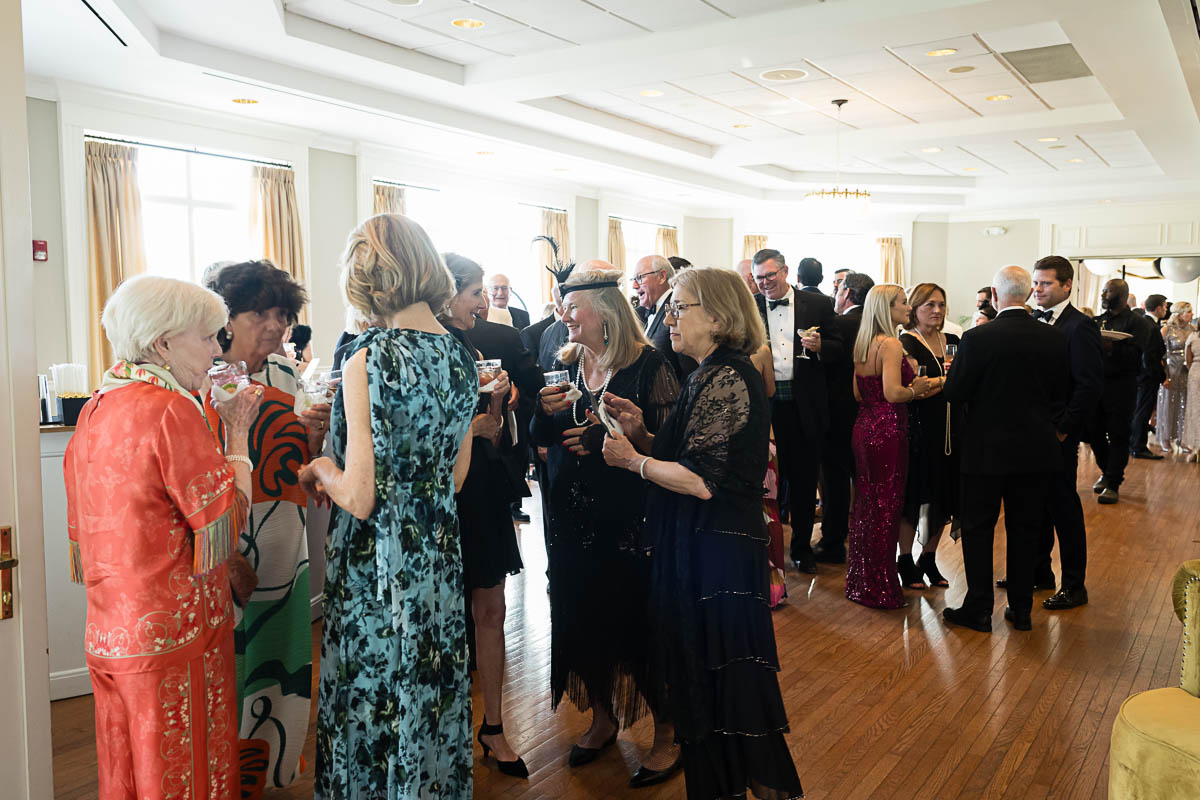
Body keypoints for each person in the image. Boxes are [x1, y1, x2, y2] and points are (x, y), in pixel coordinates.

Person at [600, 266, 804, 800]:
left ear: (716, 317)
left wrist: (632, 461)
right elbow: (693, 455)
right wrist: (643, 432)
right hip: (705, 544)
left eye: (679, 307)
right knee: (713, 683)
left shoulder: (725, 376)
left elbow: (703, 482)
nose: (668, 317)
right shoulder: (707, 374)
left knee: (728, 685)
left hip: (718, 551)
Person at [300, 213, 477, 799]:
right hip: (437, 550)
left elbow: (358, 495)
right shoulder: (460, 356)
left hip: (376, 559)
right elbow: (456, 477)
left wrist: (319, 468)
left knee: (375, 691)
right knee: (428, 685)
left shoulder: (368, 358)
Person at [65, 274, 262, 800]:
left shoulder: (96, 407)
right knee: (183, 773)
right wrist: (238, 433)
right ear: (164, 344)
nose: (217, 349)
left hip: (109, 631)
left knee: (125, 770)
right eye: (208, 336)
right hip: (175, 634)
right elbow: (225, 522)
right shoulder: (170, 409)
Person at [532, 264, 681, 783]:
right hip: (568, 515)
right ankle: (602, 717)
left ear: (606, 312)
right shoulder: (566, 363)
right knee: (580, 615)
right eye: (563, 306)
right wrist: (541, 412)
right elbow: (543, 439)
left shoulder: (648, 365)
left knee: (636, 621)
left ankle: (668, 731)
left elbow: (668, 446)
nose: (564, 316)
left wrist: (616, 437)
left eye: (573, 307)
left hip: (627, 517)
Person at [203, 260, 320, 790]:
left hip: (285, 543)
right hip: (227, 545)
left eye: (282, 315)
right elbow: (193, 480)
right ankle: (221, 773)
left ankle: (269, 769)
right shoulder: (203, 376)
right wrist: (227, 555)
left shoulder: (285, 373)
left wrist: (315, 436)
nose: (274, 326)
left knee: (279, 659)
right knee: (227, 665)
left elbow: (297, 458)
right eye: (259, 314)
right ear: (227, 319)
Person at [437, 252, 533, 776]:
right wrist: (470, 427)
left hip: (484, 488)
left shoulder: (476, 346)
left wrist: (497, 401)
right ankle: (444, 731)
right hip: (446, 498)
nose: (482, 302)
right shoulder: (427, 350)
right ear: (446, 292)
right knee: (448, 617)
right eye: (475, 292)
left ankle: (493, 726)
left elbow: (492, 433)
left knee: (491, 610)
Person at [942, 266, 1067, 633]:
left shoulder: (977, 338)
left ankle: (979, 608)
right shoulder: (1053, 338)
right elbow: (1062, 392)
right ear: (1028, 294)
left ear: (994, 296)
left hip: (985, 450)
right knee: (1026, 529)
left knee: (978, 528)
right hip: (1035, 449)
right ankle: (1022, 608)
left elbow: (953, 392)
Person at [1012, 257, 1104, 613]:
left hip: (1057, 434)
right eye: (1035, 283)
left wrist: (1064, 430)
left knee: (1064, 509)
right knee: (1036, 505)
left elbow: (1089, 386)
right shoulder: (1034, 319)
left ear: (1067, 285)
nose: (1037, 289)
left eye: (1046, 283)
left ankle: (1074, 586)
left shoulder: (1080, 326)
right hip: (1032, 430)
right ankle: (1039, 572)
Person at [752, 248, 843, 573]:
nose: (765, 283)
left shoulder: (816, 304)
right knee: (767, 483)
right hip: (765, 409)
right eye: (759, 278)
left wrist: (821, 348)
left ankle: (802, 549)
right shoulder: (750, 305)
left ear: (786, 272)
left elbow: (838, 347)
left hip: (805, 408)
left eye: (770, 275)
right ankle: (766, 550)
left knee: (804, 483)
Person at [846, 285, 931, 609]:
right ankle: (880, 587)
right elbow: (893, 393)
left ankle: (861, 581)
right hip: (888, 430)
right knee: (886, 508)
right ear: (887, 308)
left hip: (864, 427)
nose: (908, 308)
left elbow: (858, 393)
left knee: (867, 506)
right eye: (903, 303)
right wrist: (917, 389)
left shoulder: (864, 343)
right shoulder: (891, 344)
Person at [897, 283, 960, 590]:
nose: (937, 310)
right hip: (920, 429)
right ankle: (905, 559)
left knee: (943, 497)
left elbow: (963, 381)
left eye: (941, 305)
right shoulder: (906, 341)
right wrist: (946, 380)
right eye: (929, 305)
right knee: (914, 496)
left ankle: (929, 557)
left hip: (952, 428)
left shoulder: (954, 341)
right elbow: (916, 389)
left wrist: (939, 382)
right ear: (914, 308)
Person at [814, 272, 873, 563]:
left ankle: (833, 541)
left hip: (837, 411)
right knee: (866, 478)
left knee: (834, 479)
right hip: (871, 410)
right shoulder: (876, 326)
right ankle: (868, 540)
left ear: (846, 293)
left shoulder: (838, 325)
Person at [1087, 278, 1144, 504]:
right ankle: (1107, 471)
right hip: (1097, 384)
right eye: (1102, 291)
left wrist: (1111, 349)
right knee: (1093, 432)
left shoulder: (1136, 323)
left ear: (1121, 295)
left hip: (1122, 386)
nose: (1102, 295)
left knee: (1118, 434)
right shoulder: (1098, 321)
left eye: (1107, 291)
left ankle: (1113, 483)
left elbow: (1137, 358)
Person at [633, 254, 697, 379]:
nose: (634, 286)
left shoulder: (679, 310)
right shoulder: (643, 312)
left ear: (662, 277)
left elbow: (689, 370)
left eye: (640, 278)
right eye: (634, 279)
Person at [1131, 294, 1168, 459]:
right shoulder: (1151, 327)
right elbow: (1150, 356)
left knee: (1139, 410)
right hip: (1147, 376)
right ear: (1158, 308)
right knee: (1143, 411)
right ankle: (1138, 447)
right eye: (1165, 306)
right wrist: (1160, 376)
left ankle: (1133, 444)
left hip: (1139, 375)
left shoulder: (1141, 322)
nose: (1166, 310)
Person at [1157, 302, 1194, 454]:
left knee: (1184, 404)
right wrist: (1164, 376)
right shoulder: (1167, 329)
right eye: (1189, 312)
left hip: (1186, 371)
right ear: (1179, 314)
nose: (1192, 315)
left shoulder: (1192, 329)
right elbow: (1159, 354)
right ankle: (1165, 438)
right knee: (1168, 403)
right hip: (1171, 370)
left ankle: (1182, 439)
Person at [1184, 326, 1200, 461]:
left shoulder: (1193, 337)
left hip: (1195, 372)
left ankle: (1195, 447)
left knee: (1194, 410)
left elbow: (1188, 360)